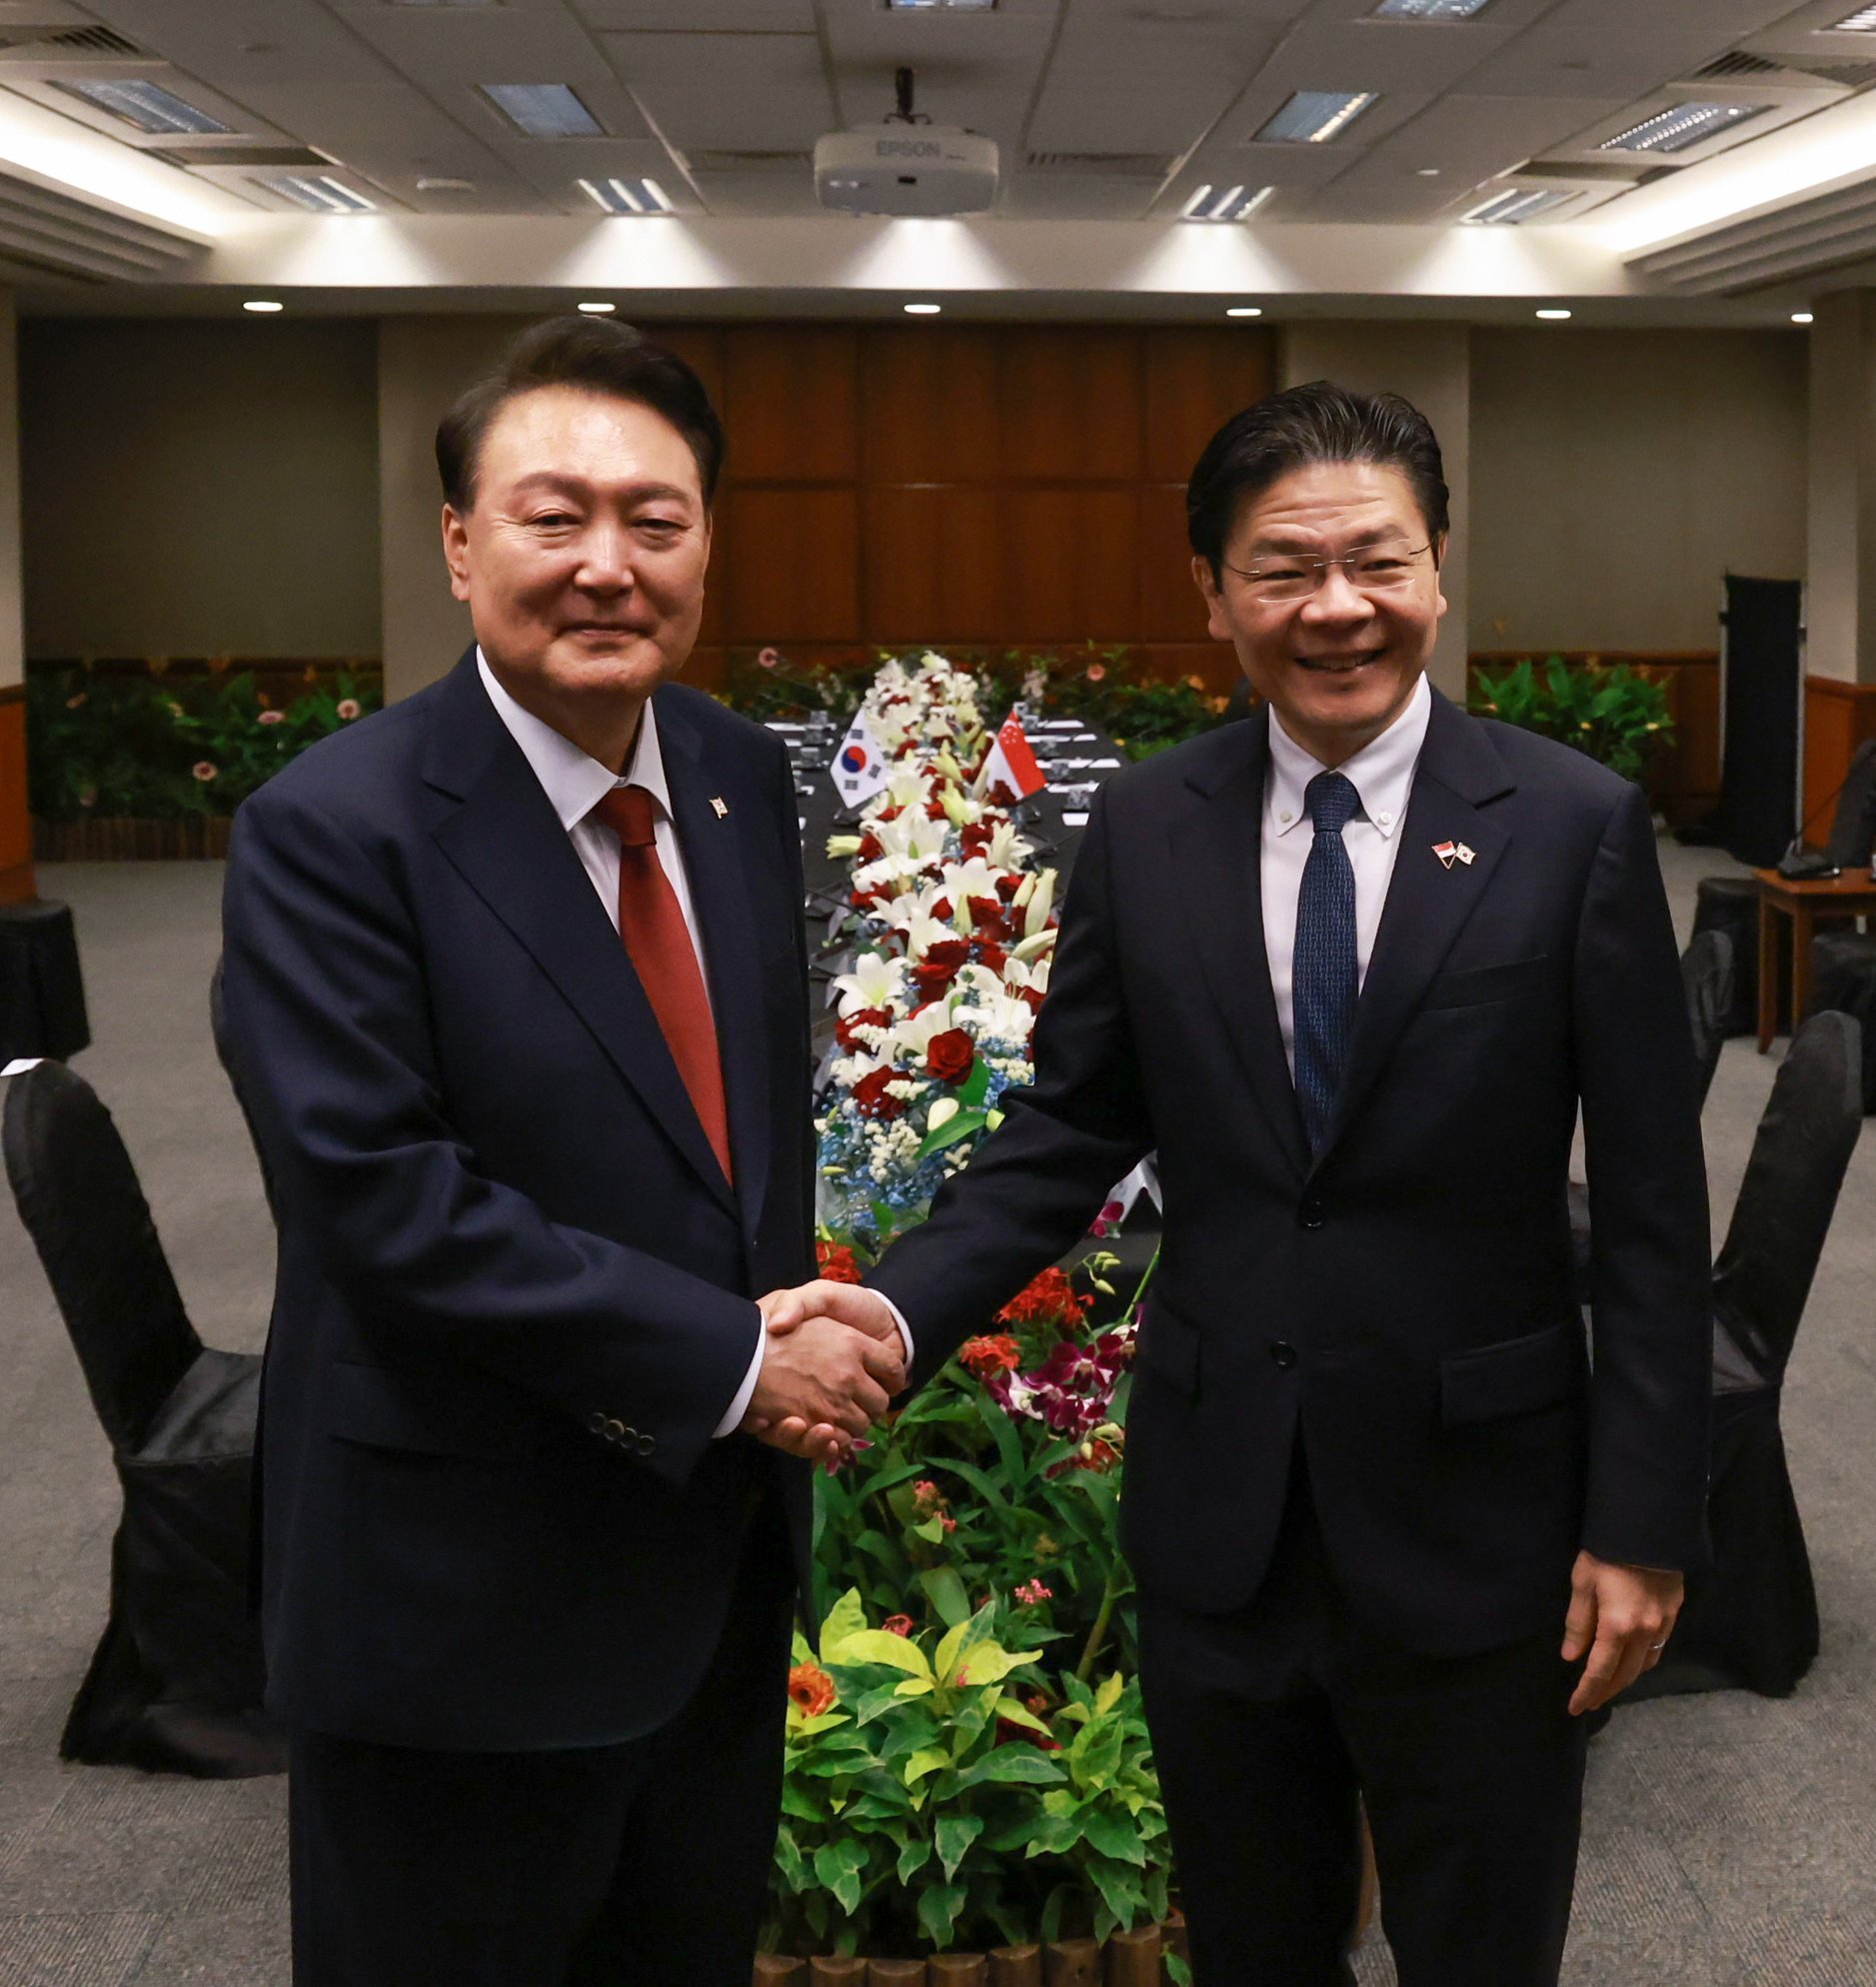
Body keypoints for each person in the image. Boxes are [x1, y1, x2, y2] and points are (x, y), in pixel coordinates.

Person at [766, 382, 1712, 1986]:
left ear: (1434, 571)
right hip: (1226, 1521)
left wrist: (1642, 1522)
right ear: (1212, 593)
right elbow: (1067, 1132)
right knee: (1257, 1947)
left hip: (1480, 1517)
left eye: (1375, 562)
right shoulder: (1147, 824)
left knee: (1482, 1949)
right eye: (1281, 568)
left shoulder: (1569, 827)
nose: (1334, 608)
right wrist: (884, 1310)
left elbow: (1647, 1216)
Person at [218, 316, 902, 1986]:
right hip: (457, 1605)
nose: (608, 564)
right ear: (459, 545)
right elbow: (386, 1206)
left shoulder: (737, 777)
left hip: (707, 1582)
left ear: (705, 547)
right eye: (552, 515)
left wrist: (785, 1323)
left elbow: (722, 1149)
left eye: (654, 522)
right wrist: (742, 1361)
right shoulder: (334, 828)